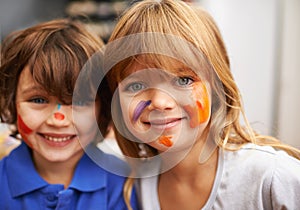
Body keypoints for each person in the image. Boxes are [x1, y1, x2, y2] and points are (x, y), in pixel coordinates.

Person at [104, 0, 300, 209]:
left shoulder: (272, 179)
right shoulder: (132, 185)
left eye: (183, 80)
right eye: (136, 85)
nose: (160, 103)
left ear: (217, 87)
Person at [0, 18, 137, 209]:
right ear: (11, 103)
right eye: (38, 100)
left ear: (103, 109)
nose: (58, 121)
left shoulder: (126, 184)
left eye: (79, 101)